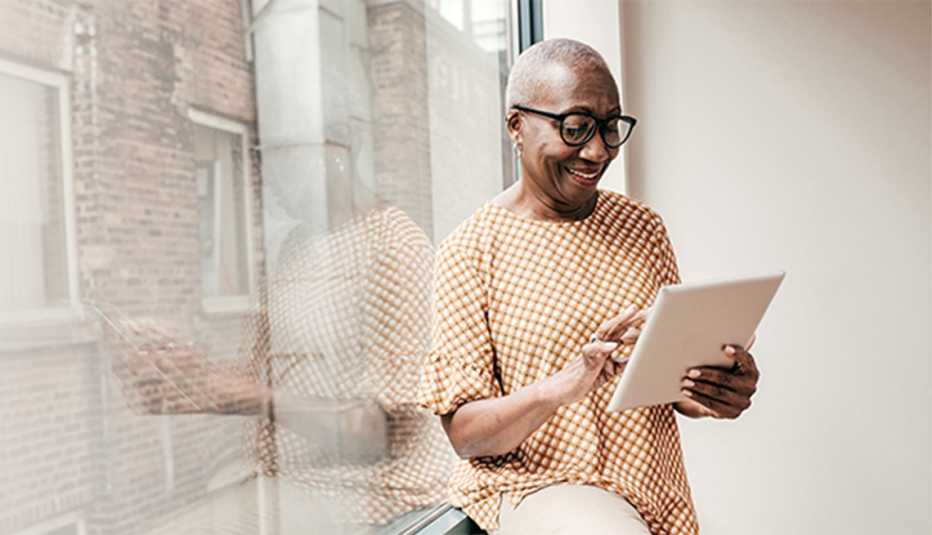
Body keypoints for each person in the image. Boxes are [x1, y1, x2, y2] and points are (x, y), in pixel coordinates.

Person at [417, 38, 760, 535]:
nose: (598, 150)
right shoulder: (471, 251)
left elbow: (668, 384)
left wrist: (716, 390)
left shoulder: (642, 227)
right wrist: (563, 386)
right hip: (539, 485)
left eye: (610, 127)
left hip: (651, 488)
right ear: (516, 125)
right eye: (575, 127)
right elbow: (468, 436)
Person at [105, 185, 453, 534]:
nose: (259, 182)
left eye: (264, 157)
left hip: (373, 495)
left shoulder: (393, 246)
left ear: (338, 147)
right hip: (286, 481)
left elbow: (380, 434)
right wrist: (183, 369)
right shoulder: (296, 248)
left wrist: (245, 394)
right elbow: (265, 378)